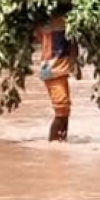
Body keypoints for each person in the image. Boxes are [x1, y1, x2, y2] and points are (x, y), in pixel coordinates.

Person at [34, 14, 78, 143]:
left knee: (64, 109)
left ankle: (60, 142)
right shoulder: (51, 23)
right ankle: (54, 143)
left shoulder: (46, 23)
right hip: (52, 69)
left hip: (57, 69)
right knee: (62, 109)